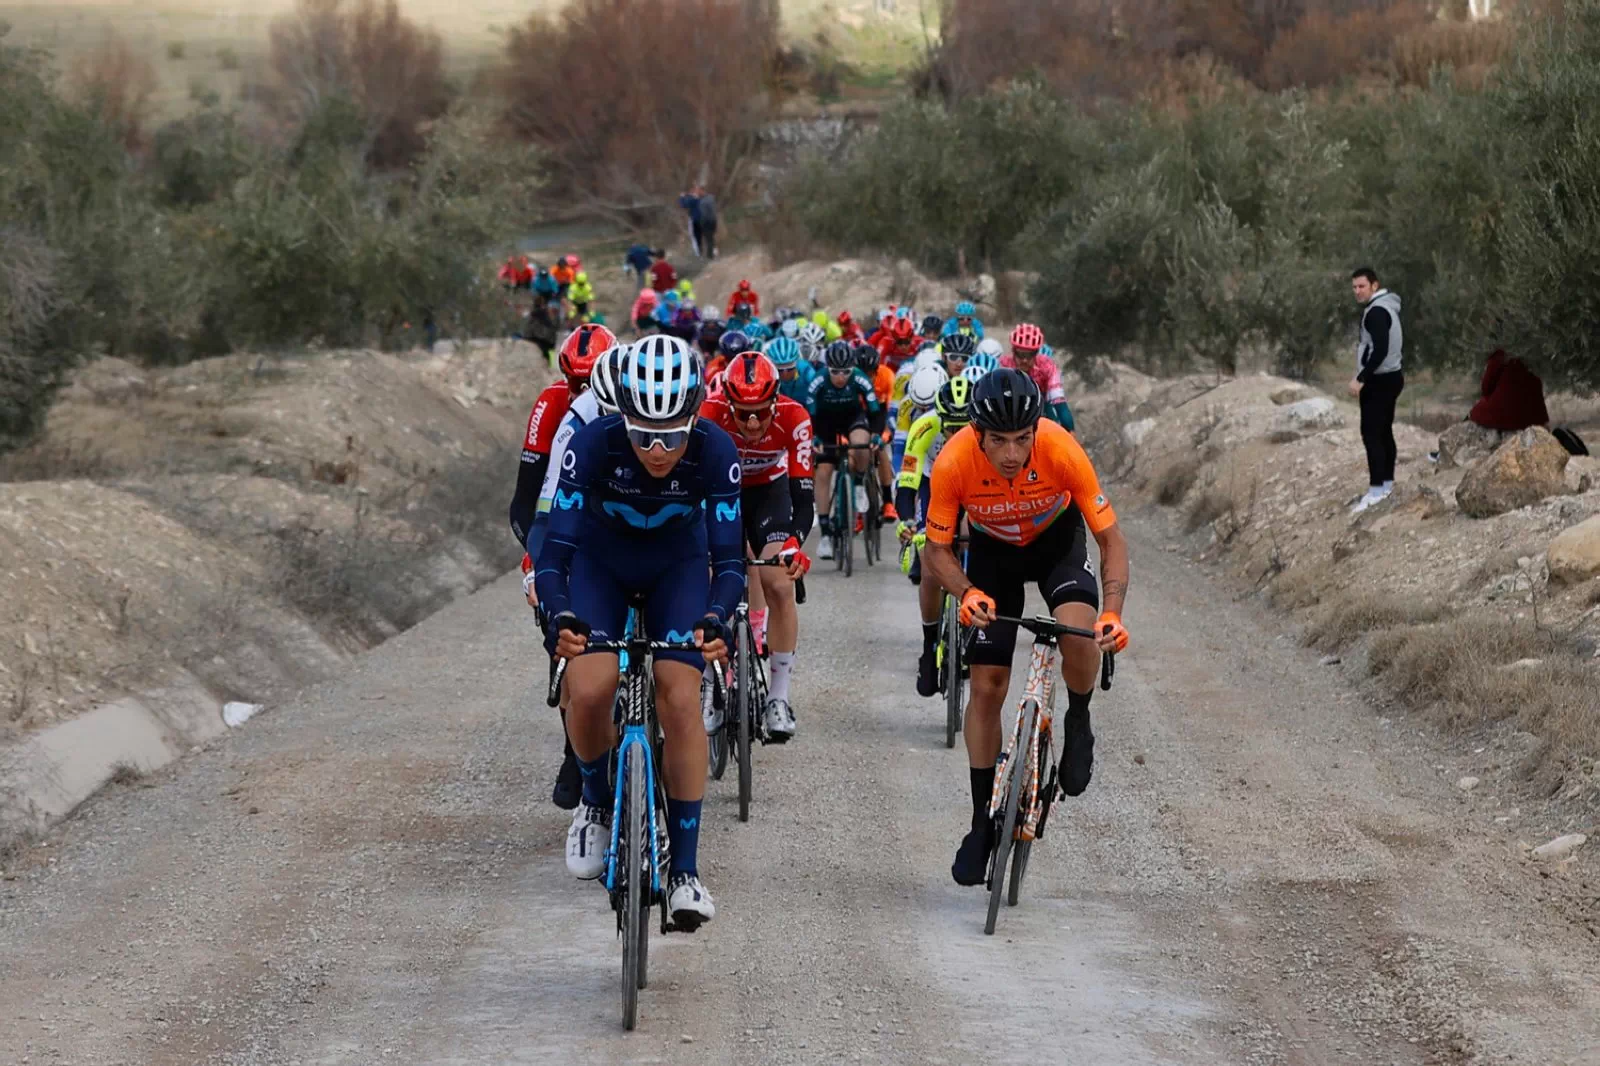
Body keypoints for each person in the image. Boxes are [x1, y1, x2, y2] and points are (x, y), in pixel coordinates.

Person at [533, 333, 741, 929]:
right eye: (642, 433)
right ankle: (596, 800)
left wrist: (716, 617)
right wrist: (559, 615)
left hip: (678, 567)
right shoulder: (591, 444)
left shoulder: (717, 450)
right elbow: (555, 551)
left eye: (671, 435)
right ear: (620, 416)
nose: (656, 449)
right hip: (601, 566)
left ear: (694, 419)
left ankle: (686, 873)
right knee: (591, 686)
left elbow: (727, 562)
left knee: (680, 697)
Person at [920, 369, 1129, 887]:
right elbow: (937, 551)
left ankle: (1078, 718)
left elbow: (1111, 541)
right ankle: (980, 824)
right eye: (998, 441)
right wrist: (966, 592)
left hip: (1056, 543)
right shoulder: (953, 463)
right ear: (976, 433)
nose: (1011, 454)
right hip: (994, 555)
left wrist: (1113, 613)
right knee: (987, 687)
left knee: (1078, 631)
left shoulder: (1061, 450)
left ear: (1036, 429)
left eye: (1021, 439)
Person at [512, 323, 617, 810]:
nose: (580, 392)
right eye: (572, 382)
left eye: (588, 382)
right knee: (565, 644)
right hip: (565, 523)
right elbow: (526, 501)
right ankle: (576, 751)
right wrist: (536, 561)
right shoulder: (557, 407)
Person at [699, 352, 813, 739]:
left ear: (776, 402)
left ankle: (778, 699)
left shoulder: (795, 417)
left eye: (761, 413)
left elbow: (803, 497)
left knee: (779, 583)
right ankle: (711, 686)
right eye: (743, 412)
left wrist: (794, 544)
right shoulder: (710, 413)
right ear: (728, 402)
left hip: (770, 493)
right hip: (722, 493)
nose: (751, 421)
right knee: (709, 575)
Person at [896, 375, 971, 692]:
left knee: (975, 538)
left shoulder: (986, 430)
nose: (954, 432)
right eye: (949, 425)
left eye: (962, 425)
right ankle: (929, 649)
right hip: (933, 486)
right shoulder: (924, 427)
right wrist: (905, 521)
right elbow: (908, 481)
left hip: (970, 486)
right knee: (930, 564)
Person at [809, 341, 882, 560]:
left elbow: (876, 412)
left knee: (862, 442)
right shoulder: (818, 381)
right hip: (825, 422)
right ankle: (824, 533)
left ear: (852, 369)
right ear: (827, 368)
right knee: (822, 472)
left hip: (853, 418)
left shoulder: (860, 378)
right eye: (835, 372)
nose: (841, 377)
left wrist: (877, 434)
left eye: (846, 372)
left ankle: (859, 484)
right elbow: (810, 415)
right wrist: (814, 438)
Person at [1348, 268, 1404, 514]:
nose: (1358, 291)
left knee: (1371, 433)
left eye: (1362, 286)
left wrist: (1361, 378)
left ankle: (1376, 491)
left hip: (1380, 381)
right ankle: (1387, 485)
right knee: (1383, 431)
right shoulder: (1386, 306)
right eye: (1354, 287)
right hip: (1391, 377)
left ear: (1374, 285)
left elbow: (1379, 350)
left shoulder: (1376, 312)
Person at [855, 342, 900, 521]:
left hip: (880, 413)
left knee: (880, 450)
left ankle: (888, 502)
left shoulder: (887, 376)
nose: (867, 377)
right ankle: (856, 510)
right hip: (858, 414)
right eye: (863, 373)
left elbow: (891, 410)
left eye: (871, 373)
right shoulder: (851, 380)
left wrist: (886, 434)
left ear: (877, 369)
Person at [1000, 323, 1073, 429]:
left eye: (1030, 355)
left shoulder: (1047, 366)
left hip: (1042, 405)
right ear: (1013, 351)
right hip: (1011, 406)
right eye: (1020, 355)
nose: (1024, 360)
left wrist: (1070, 432)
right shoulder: (1003, 366)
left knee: (1051, 418)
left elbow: (1060, 404)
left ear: (1037, 353)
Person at [1470, 348, 1549, 433]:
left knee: (1475, 412)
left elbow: (1486, 388)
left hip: (1503, 418)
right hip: (1534, 417)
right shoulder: (1536, 351)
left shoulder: (1500, 355)